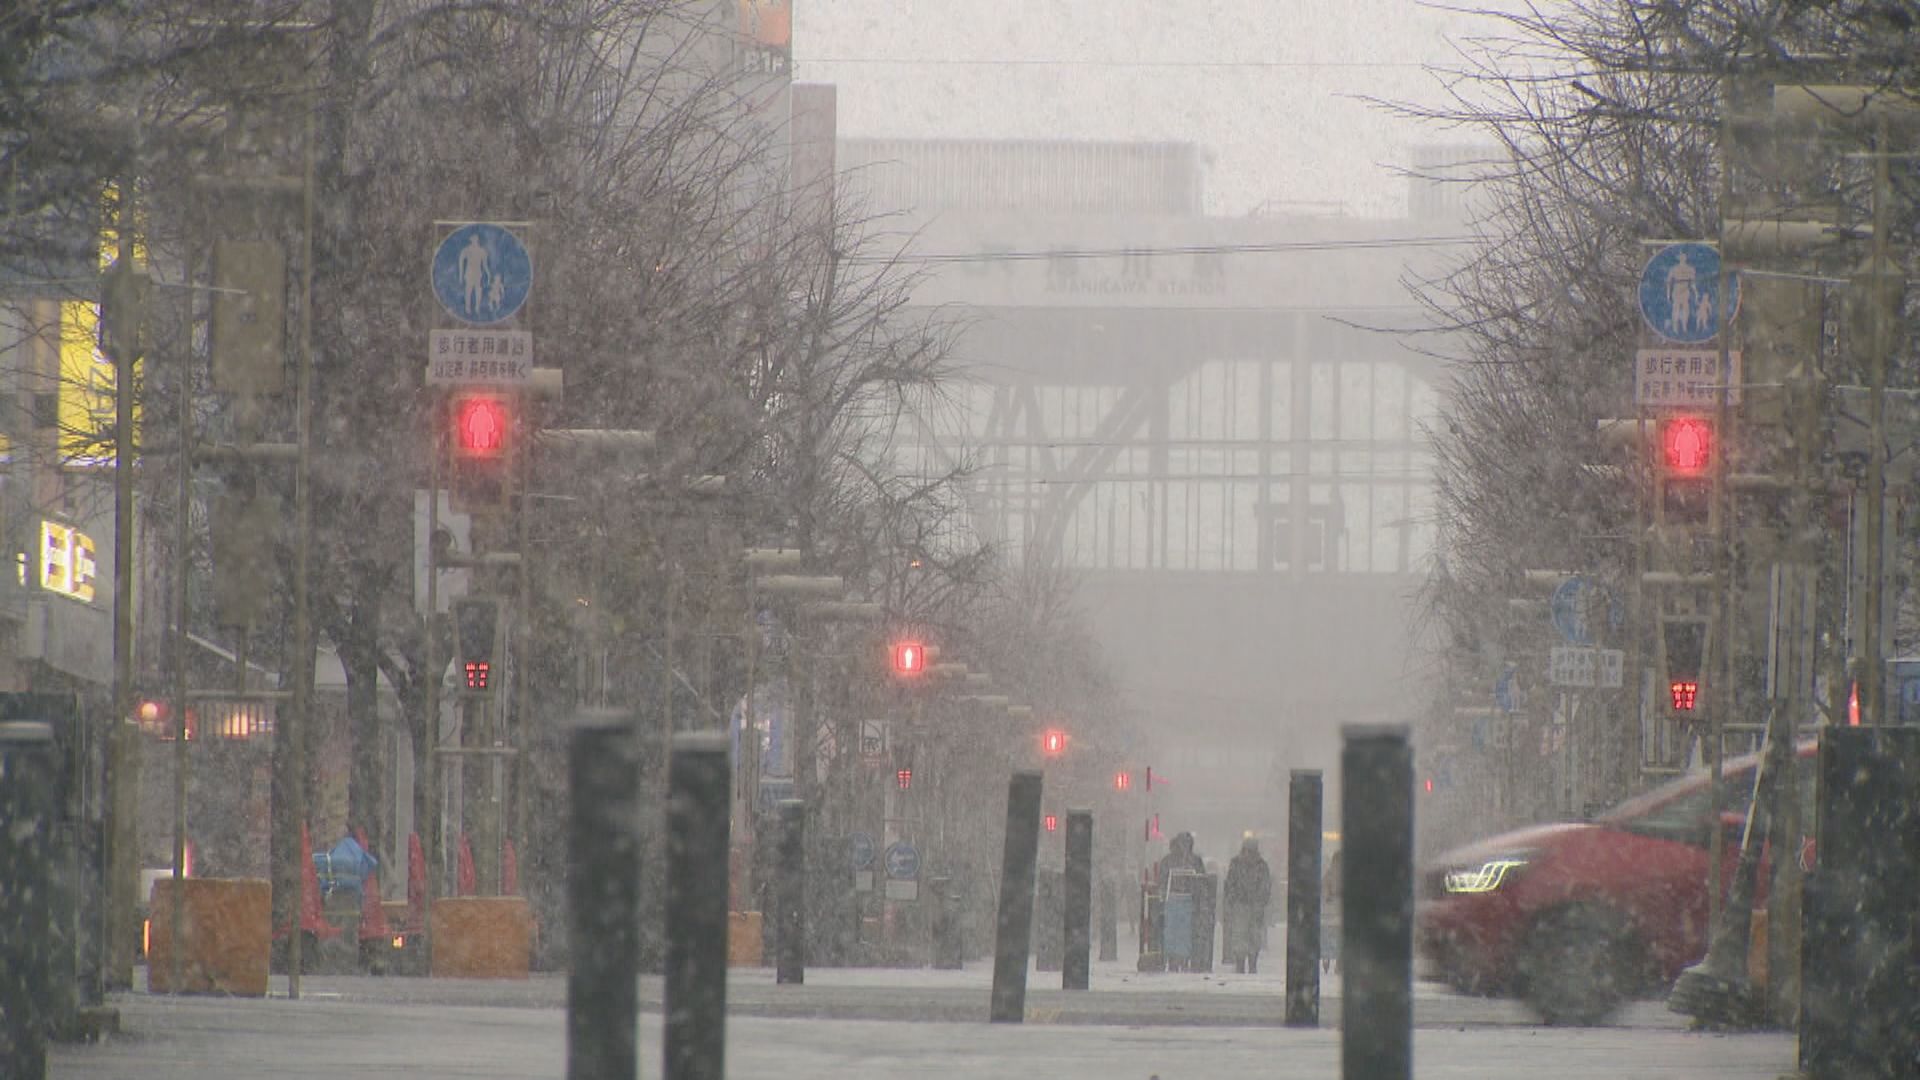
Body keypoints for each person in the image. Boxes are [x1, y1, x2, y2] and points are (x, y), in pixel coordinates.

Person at [1223, 833, 1273, 974]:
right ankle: (1240, 964)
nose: (1249, 854)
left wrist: (1260, 901)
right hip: (1241, 905)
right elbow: (1230, 883)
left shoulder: (1261, 865)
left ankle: (1252, 963)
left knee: (1253, 935)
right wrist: (1234, 898)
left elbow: (1265, 885)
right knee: (1240, 934)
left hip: (1255, 906)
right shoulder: (1237, 864)